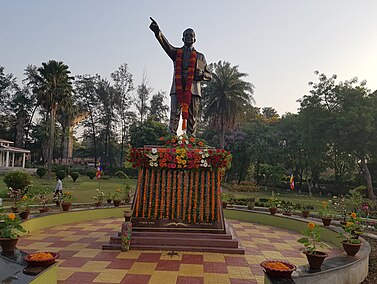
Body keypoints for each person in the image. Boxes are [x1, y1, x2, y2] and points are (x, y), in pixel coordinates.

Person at [149, 17, 211, 137]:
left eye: (191, 35)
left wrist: (202, 75)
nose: (188, 37)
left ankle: (191, 140)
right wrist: (158, 32)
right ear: (182, 38)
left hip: (193, 90)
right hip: (177, 88)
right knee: (174, 114)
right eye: (186, 35)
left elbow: (210, 75)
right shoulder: (176, 53)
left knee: (192, 117)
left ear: (195, 39)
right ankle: (171, 139)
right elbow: (166, 46)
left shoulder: (200, 56)